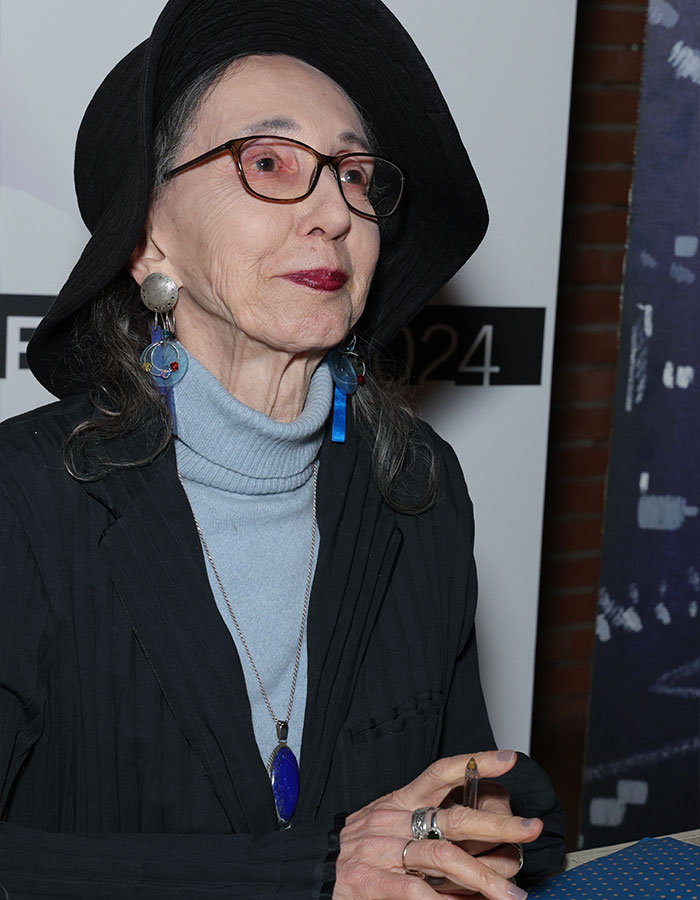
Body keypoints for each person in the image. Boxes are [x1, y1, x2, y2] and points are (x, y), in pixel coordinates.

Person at [0, 0, 566, 897]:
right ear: (150, 234)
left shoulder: (417, 485)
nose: (334, 213)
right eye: (269, 162)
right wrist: (303, 875)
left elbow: (477, 785)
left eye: (354, 175)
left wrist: (485, 826)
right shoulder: (23, 502)